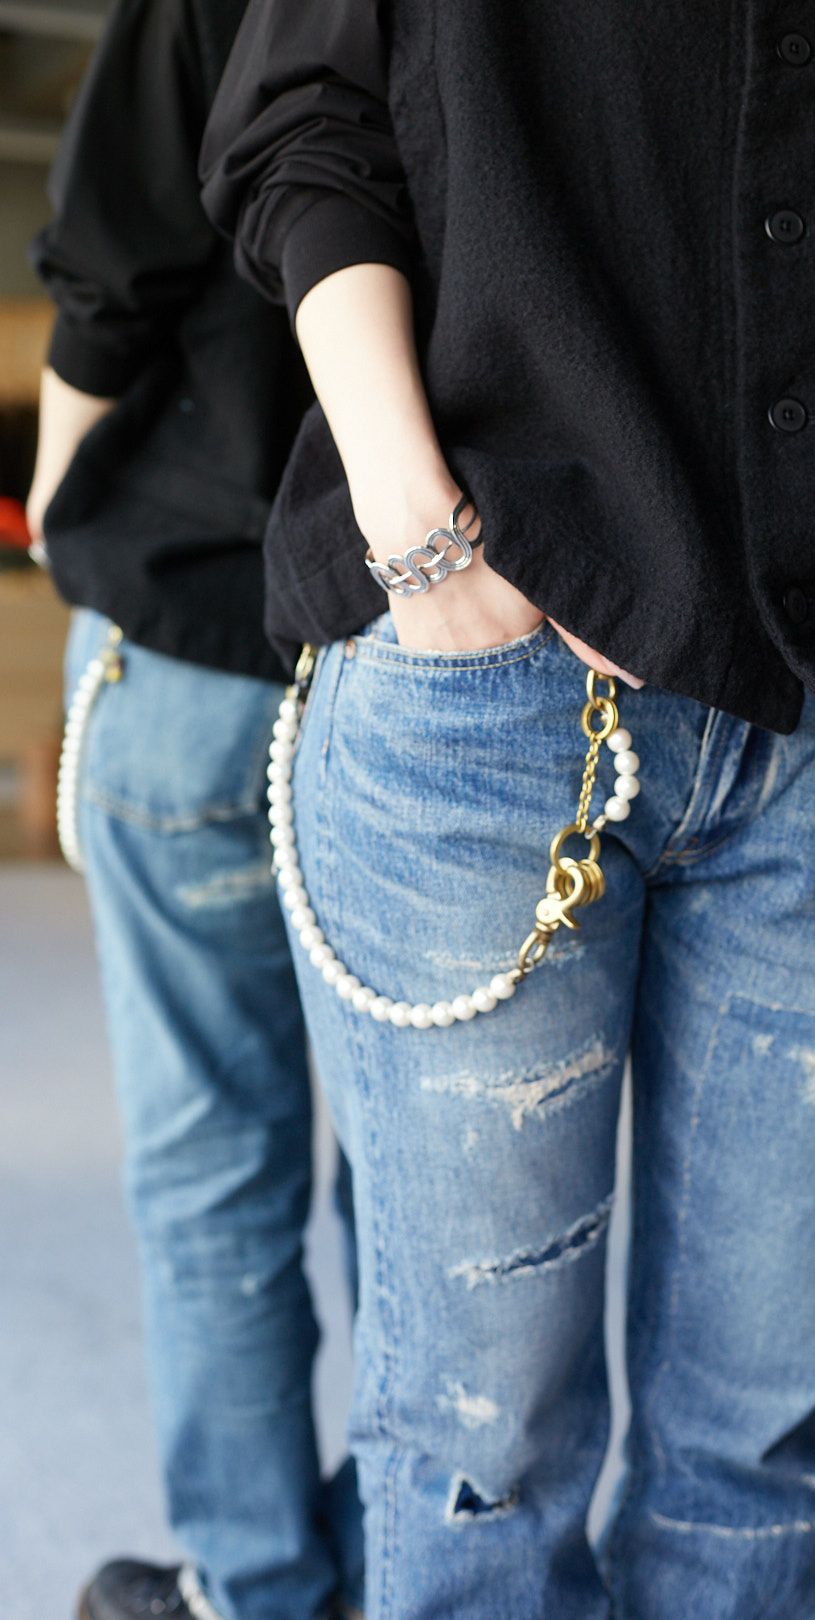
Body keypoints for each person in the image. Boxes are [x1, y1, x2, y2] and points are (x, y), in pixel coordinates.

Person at [200, 5, 815, 1616]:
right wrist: (419, 536)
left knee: (759, 1442)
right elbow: (303, 121)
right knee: (484, 1443)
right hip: (493, 693)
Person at [28, 3, 364, 1617]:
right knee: (429, 1191)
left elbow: (114, 264)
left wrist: (64, 510)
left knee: (213, 1161)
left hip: (189, 626)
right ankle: (419, 1567)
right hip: (430, 649)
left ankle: (254, 1587)